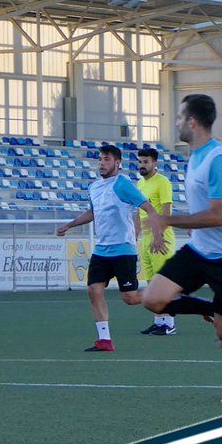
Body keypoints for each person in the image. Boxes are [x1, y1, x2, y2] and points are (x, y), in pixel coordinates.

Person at [141, 94, 222, 404]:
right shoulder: (196, 155)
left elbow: (218, 215)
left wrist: (166, 220)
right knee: (154, 299)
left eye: (180, 117)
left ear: (193, 122)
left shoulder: (219, 158)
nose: (177, 122)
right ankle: (212, 311)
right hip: (200, 250)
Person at [57, 144, 166, 352]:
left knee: (131, 298)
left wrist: (157, 236)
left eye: (106, 159)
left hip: (123, 249)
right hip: (101, 249)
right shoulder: (94, 187)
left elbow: (149, 209)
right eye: (100, 160)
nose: (102, 163)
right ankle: (104, 340)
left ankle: (164, 293)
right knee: (93, 290)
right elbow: (92, 213)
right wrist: (69, 225)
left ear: (117, 162)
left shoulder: (123, 184)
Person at [135, 147, 178, 336]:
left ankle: (169, 323)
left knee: (164, 282)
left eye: (146, 162)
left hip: (161, 238)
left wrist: (159, 236)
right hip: (146, 239)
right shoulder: (139, 184)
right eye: (140, 162)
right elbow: (138, 211)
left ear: (155, 163)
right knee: (152, 282)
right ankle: (159, 321)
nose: (142, 165)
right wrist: (137, 233)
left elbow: (166, 212)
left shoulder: (163, 182)